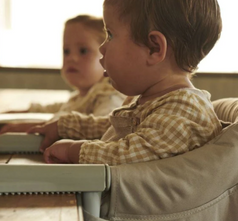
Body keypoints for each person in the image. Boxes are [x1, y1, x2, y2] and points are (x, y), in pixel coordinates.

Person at [28, 0, 223, 166]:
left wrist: (75, 151)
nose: (102, 48)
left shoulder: (183, 110)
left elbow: (128, 155)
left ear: (154, 48)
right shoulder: (157, 101)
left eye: (110, 35)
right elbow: (112, 128)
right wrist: (64, 126)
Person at [0, 15, 125, 134]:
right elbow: (59, 108)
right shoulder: (82, 97)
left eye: (83, 51)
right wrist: (23, 112)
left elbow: (104, 127)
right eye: (66, 51)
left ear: (107, 55)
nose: (72, 58)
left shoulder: (108, 96)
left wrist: (35, 127)